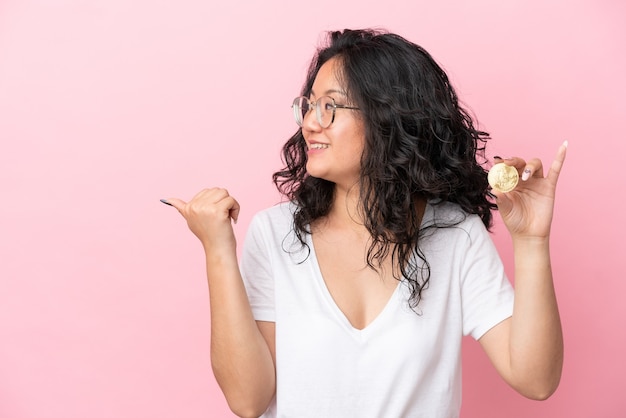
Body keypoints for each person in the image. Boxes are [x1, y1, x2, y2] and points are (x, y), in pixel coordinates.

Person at [162, 28, 566, 418]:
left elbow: (536, 380)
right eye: (308, 105)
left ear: (388, 118)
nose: (309, 123)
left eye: (329, 107)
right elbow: (248, 401)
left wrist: (531, 242)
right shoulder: (275, 234)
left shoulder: (454, 235)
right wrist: (217, 249)